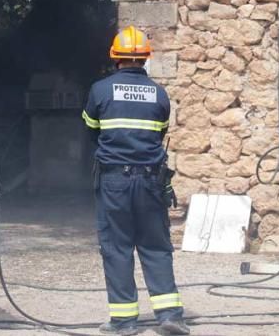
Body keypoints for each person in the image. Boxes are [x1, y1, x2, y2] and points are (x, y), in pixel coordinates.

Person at [82, 26, 188, 336]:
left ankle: (124, 321)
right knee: (156, 246)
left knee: (117, 248)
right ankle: (170, 316)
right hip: (151, 182)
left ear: (115, 57)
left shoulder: (100, 90)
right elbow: (160, 133)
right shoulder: (159, 93)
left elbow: (91, 129)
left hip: (115, 181)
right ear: (145, 59)